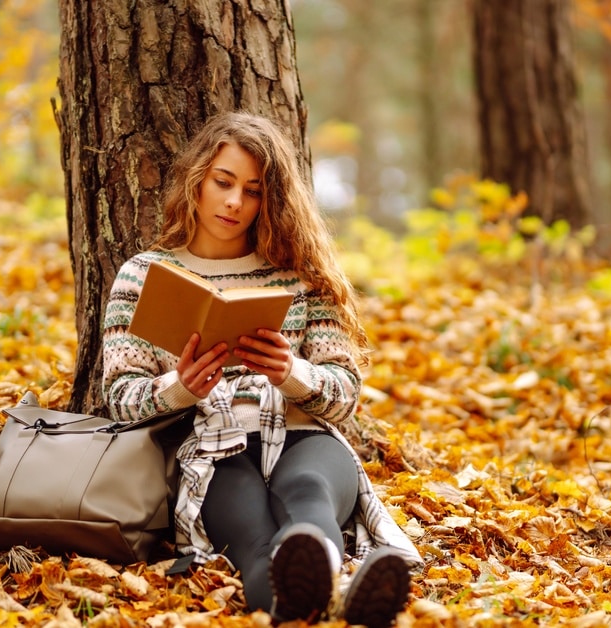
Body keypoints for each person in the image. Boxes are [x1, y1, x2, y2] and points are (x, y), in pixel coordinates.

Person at [101, 111, 423, 627]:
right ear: (197, 181)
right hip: (211, 445)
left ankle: (322, 586)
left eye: (252, 191)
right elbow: (119, 397)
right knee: (251, 533)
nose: (234, 202)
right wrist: (179, 388)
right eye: (223, 183)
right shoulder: (144, 276)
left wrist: (291, 373)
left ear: (268, 200)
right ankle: (341, 605)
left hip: (303, 435)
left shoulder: (301, 277)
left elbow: (344, 394)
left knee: (308, 494)